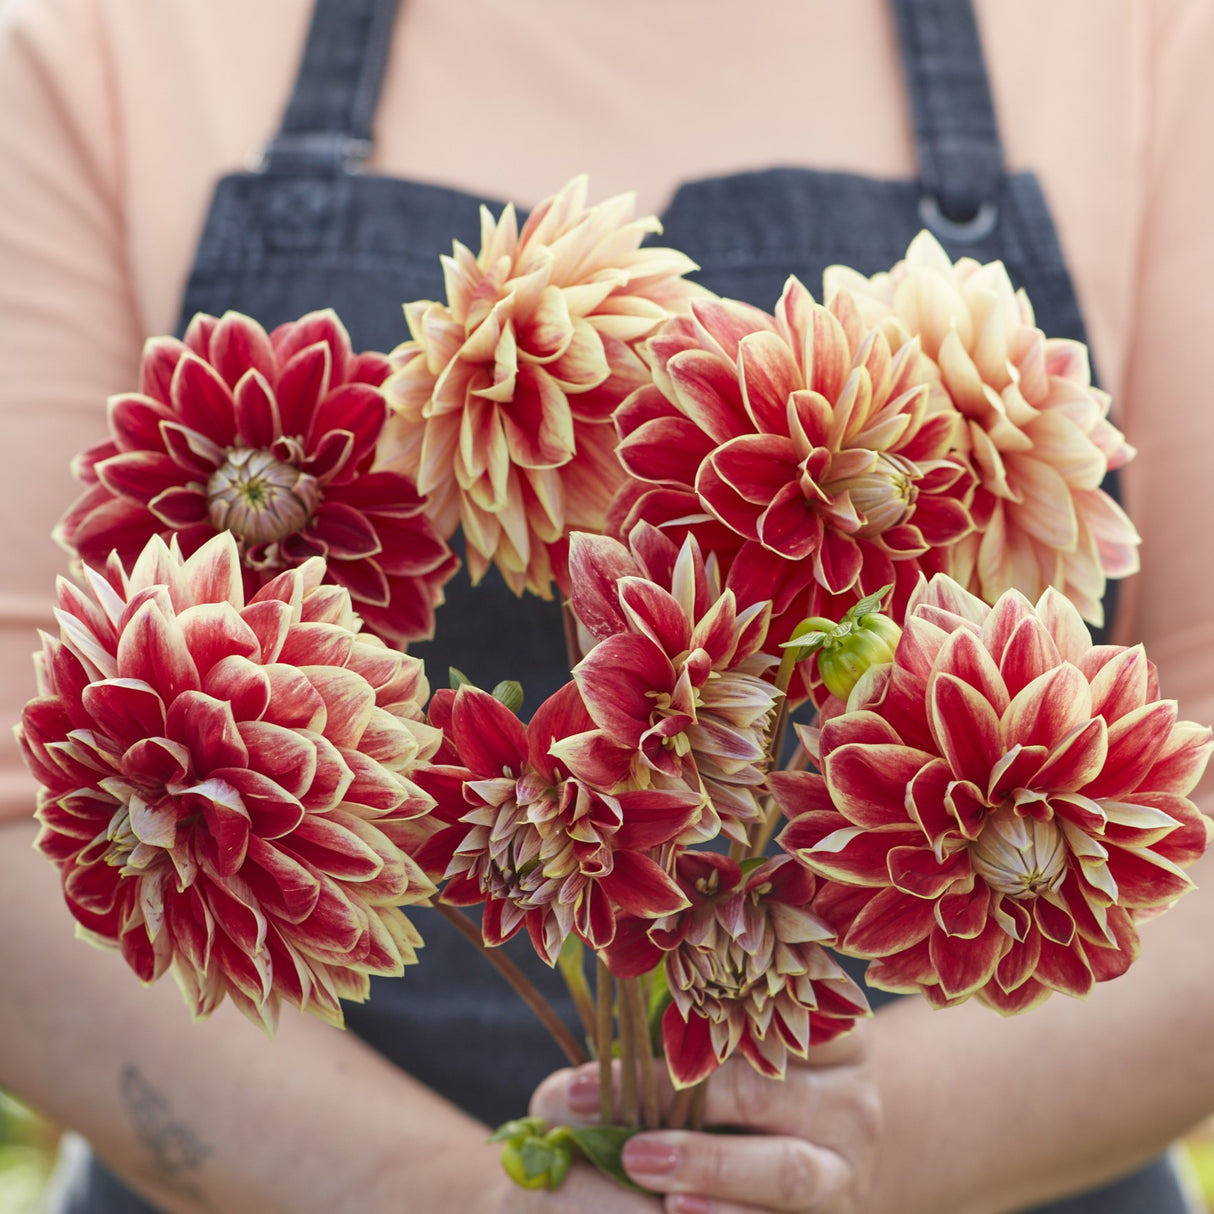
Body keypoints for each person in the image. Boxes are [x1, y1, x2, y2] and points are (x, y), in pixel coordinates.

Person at [1, 0, 1213, 1211]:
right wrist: (438, 1194)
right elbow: (16, 812)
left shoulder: (1144, 34)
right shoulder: (108, 34)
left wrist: (859, 1151)